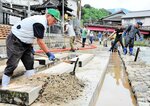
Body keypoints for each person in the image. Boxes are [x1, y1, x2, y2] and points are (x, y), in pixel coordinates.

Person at [1, 8, 60, 87]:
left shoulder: (43, 22)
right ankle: (4, 86)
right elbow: (40, 41)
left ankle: (30, 83)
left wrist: (30, 46)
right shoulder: (40, 23)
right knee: (12, 64)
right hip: (15, 40)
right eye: (54, 20)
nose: (54, 22)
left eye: (56, 21)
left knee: (29, 62)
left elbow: (31, 34)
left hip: (26, 43)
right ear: (49, 16)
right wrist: (48, 53)